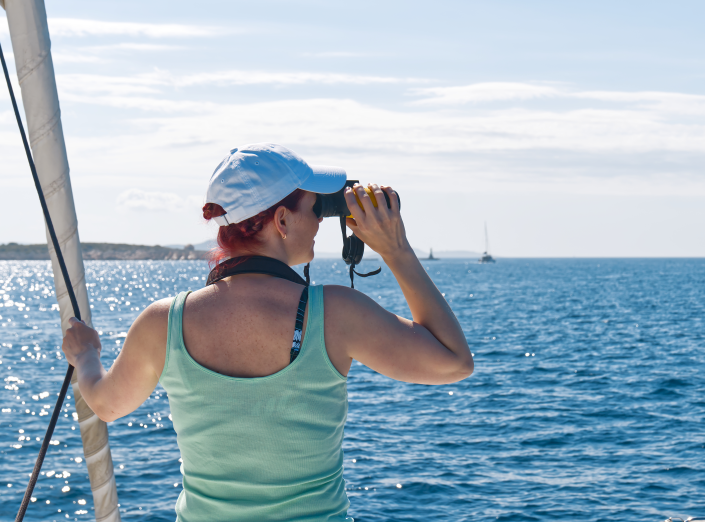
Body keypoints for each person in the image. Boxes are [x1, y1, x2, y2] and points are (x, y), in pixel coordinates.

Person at [61, 143, 474, 521]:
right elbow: (454, 362)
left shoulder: (162, 321)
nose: (319, 221)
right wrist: (395, 247)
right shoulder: (335, 313)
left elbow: (107, 405)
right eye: (315, 209)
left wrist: (86, 355)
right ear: (280, 219)